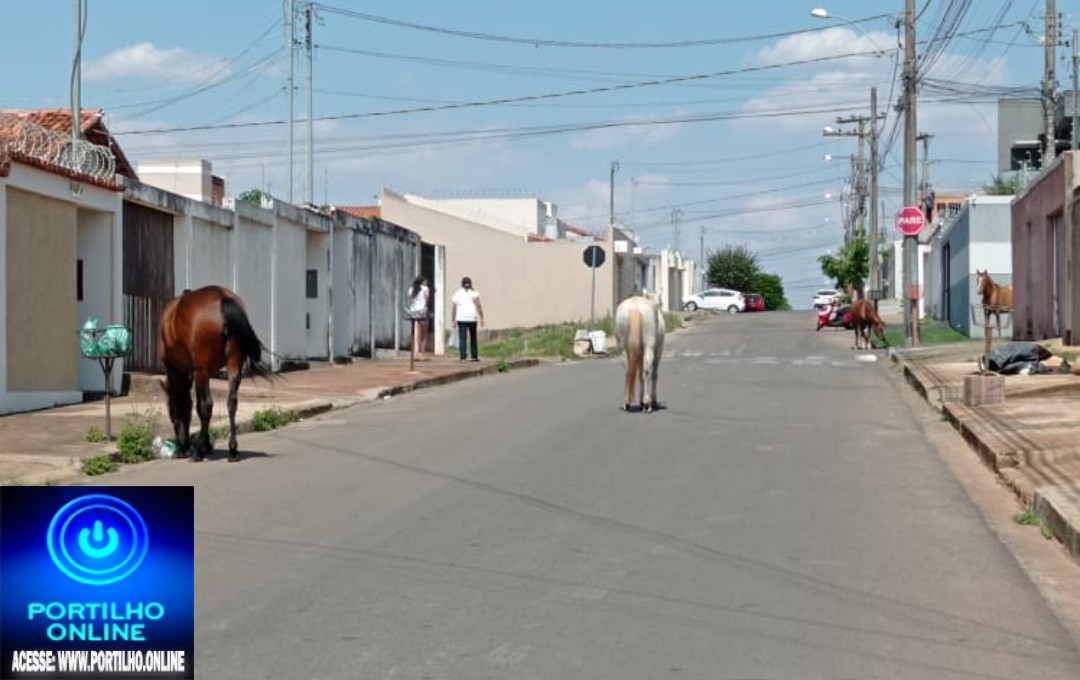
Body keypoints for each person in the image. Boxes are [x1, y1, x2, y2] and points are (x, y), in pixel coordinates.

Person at [451, 276, 484, 361]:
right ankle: (474, 355)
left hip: (461, 318)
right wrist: (482, 317)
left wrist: (453, 319)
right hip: (472, 317)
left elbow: (454, 308)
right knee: (473, 337)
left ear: (462, 284)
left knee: (462, 338)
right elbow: (478, 305)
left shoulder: (457, 293)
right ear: (470, 284)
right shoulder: (474, 293)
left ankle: (463, 357)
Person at [406, 276, 430, 359]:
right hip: (422, 312)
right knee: (424, 335)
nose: (426, 282)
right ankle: (422, 354)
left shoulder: (411, 289)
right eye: (425, 281)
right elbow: (427, 300)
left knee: (416, 333)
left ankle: (415, 352)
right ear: (422, 282)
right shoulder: (425, 289)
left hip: (414, 312)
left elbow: (410, 299)